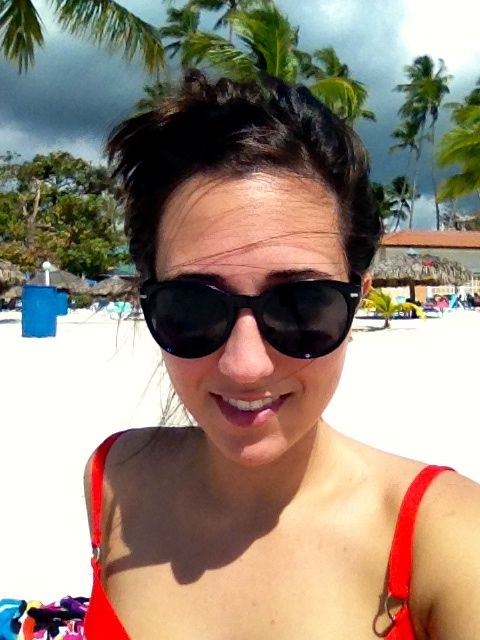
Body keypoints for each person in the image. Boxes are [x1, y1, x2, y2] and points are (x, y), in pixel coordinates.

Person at [83, 71, 480, 639]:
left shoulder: (451, 539)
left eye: (300, 304)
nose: (246, 366)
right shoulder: (113, 481)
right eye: (193, 306)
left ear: (358, 299)